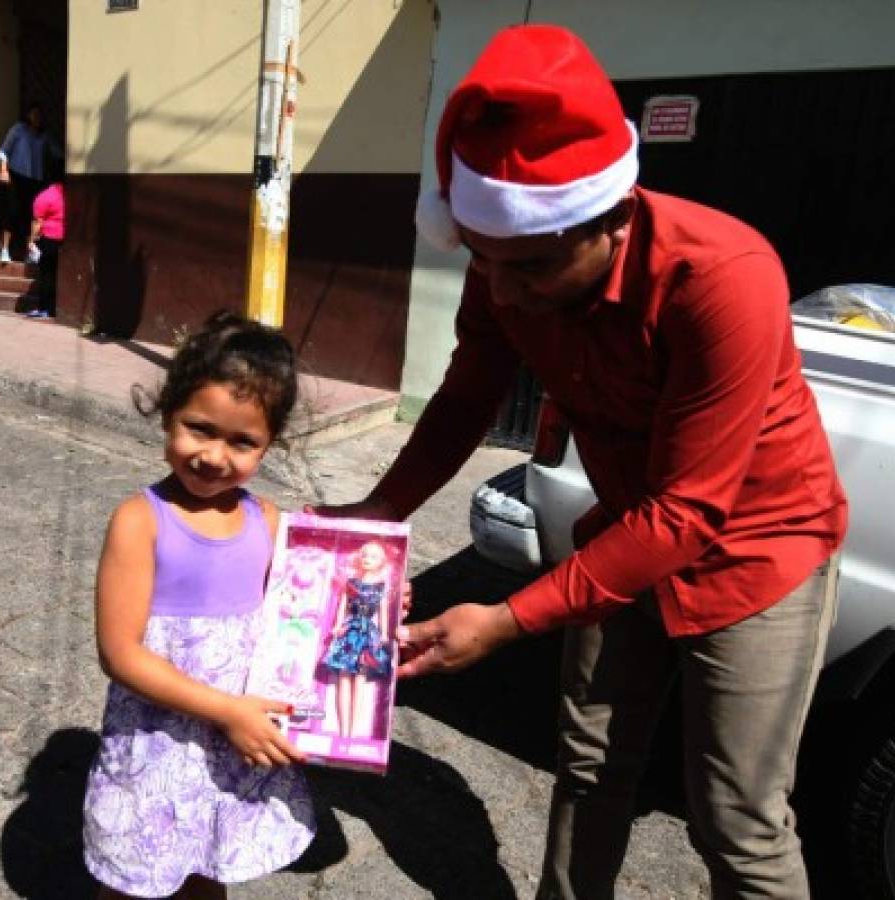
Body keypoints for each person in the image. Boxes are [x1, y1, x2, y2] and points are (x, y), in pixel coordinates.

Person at [315, 24, 848, 900]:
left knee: (737, 818)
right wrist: (383, 508)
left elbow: (687, 514)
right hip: (625, 541)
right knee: (591, 766)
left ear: (614, 219)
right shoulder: (504, 271)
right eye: (484, 263)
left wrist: (507, 619)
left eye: (529, 267)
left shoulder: (722, 278)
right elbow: (465, 399)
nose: (504, 292)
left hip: (761, 550)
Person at [83, 311, 314, 899]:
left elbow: (303, 610)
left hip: (230, 746)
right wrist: (226, 710)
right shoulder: (141, 521)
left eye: (243, 442)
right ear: (167, 415)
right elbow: (119, 653)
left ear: (269, 444)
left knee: (210, 865)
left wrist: (375, 596)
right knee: (133, 875)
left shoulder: (266, 521)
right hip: (161, 741)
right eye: (199, 428)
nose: (214, 456)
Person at [321, 540, 394, 739]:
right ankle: (344, 730)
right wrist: (337, 625)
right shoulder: (351, 582)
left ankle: (353, 731)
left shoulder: (381, 587)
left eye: (373, 556)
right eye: (364, 555)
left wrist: (385, 633)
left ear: (382, 562)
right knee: (344, 678)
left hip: (368, 634)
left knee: (360, 679)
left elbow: (383, 613)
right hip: (349, 631)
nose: (367, 559)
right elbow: (343, 605)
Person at [0, 102, 59, 263]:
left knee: (32, 215)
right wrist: (3, 170)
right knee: (12, 212)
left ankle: (29, 251)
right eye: (34, 114)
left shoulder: (45, 136)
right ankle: (4, 250)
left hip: (36, 180)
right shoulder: (18, 129)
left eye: (40, 115)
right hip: (17, 176)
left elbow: (57, 153)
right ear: (29, 115)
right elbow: (4, 151)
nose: (37, 118)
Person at [25, 159, 65, 318]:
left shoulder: (44, 197)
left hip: (49, 239)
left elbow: (37, 222)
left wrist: (31, 240)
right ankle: (53, 308)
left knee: (46, 275)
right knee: (57, 274)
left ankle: (45, 308)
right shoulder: (68, 195)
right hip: (65, 240)